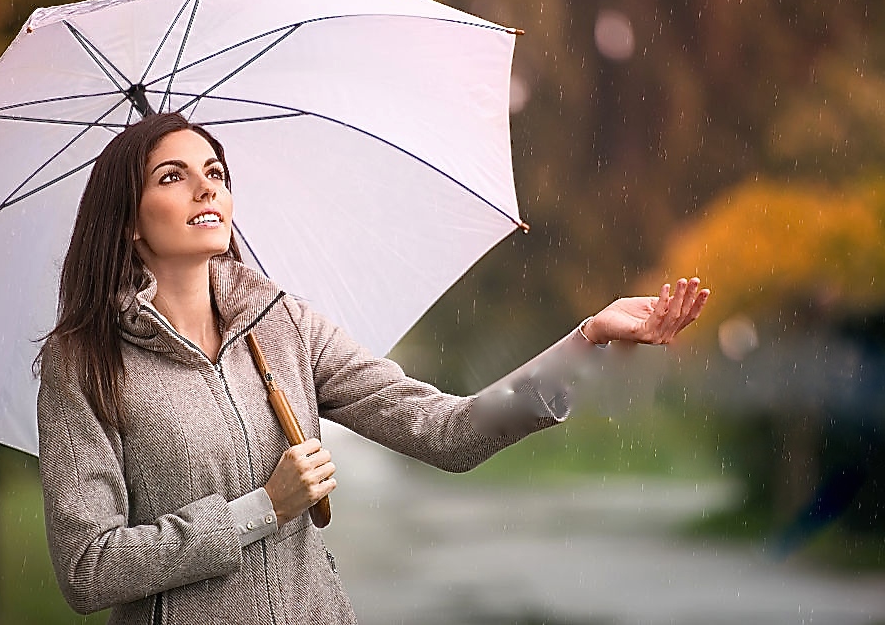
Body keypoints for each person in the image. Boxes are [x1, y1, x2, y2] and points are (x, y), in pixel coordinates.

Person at [36, 112, 709, 625]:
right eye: (172, 175)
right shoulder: (85, 363)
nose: (204, 185)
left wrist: (587, 339)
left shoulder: (284, 324)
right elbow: (88, 569)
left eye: (214, 170)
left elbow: (445, 430)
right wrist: (260, 510)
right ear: (128, 221)